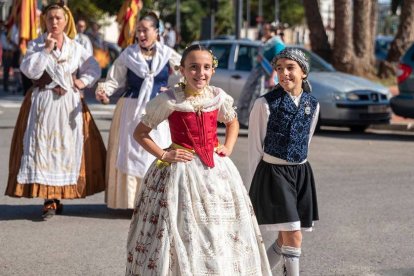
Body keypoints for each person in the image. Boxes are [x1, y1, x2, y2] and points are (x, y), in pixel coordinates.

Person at [125, 44, 271, 275]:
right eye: (193, 67)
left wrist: (228, 146)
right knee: (182, 225)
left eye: (205, 67)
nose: (200, 73)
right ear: (182, 70)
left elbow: (231, 122)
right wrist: (164, 154)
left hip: (216, 171)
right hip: (181, 170)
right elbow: (140, 133)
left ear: (212, 70)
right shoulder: (170, 99)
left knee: (216, 226)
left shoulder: (217, 96)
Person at [4, 2, 106, 220]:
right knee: (43, 147)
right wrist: (46, 51)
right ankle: (49, 198)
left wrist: (81, 82)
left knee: (66, 147)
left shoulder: (76, 47)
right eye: (50, 18)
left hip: (68, 104)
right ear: (45, 21)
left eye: (58, 18)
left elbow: (94, 67)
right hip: (43, 103)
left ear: (65, 21)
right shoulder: (36, 45)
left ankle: (58, 194)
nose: (54, 22)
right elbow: (28, 69)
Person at [95, 12, 181, 210]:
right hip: (131, 109)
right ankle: (134, 202)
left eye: (145, 30)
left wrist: (173, 91)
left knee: (157, 150)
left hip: (159, 110)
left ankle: (156, 200)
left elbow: (185, 75)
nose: (141, 34)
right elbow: (114, 80)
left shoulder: (168, 54)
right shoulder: (128, 55)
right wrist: (104, 91)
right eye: (138, 31)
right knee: (132, 152)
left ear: (156, 32)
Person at [247, 48, 320, 275]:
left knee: (284, 237)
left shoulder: (312, 103)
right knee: (294, 235)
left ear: (304, 73)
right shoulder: (265, 103)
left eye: (291, 68)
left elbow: (305, 141)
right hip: (274, 176)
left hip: (300, 174)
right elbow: (254, 150)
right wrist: (251, 192)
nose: (284, 73)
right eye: (279, 68)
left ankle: (254, 273)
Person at [237, 22, 285, 127]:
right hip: (258, 74)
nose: (264, 31)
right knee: (251, 98)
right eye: (263, 29)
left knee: (262, 101)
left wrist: (273, 78)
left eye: (266, 29)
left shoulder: (277, 44)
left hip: (266, 77)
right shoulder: (266, 42)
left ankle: (264, 126)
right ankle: (253, 123)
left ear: (272, 31)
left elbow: (279, 62)